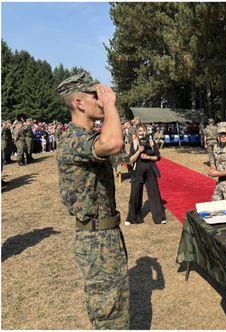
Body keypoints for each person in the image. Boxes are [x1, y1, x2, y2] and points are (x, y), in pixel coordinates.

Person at [56, 72, 129, 329]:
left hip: (106, 233)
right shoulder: (73, 139)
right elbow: (114, 143)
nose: (101, 99)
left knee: (117, 307)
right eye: (95, 95)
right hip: (96, 239)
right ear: (79, 103)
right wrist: (110, 104)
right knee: (109, 315)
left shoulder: (86, 138)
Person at [126, 125, 167, 225]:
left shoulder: (152, 142)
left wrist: (148, 157)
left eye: (143, 130)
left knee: (154, 193)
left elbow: (157, 157)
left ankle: (159, 218)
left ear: (146, 131)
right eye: (139, 131)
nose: (142, 132)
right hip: (138, 170)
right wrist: (138, 151)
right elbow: (130, 160)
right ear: (137, 132)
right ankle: (132, 218)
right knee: (135, 194)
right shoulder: (135, 142)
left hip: (150, 170)